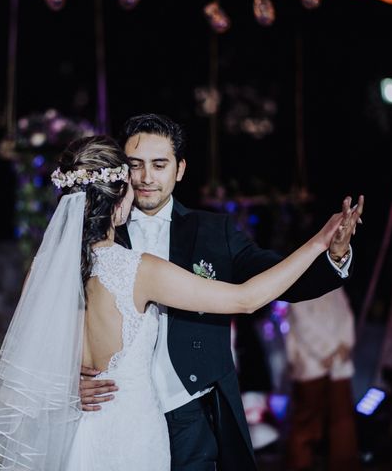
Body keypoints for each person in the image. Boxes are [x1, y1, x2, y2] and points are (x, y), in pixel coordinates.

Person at [0, 135, 355, 471]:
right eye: (133, 171)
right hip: (132, 433)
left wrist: (65, 386)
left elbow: (22, 361)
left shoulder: (44, 269)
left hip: (79, 431)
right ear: (119, 193)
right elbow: (247, 298)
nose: (144, 180)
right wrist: (318, 242)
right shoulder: (137, 269)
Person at [80, 114, 364, 471]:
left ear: (180, 169)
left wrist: (333, 255)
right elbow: (65, 320)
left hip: (190, 410)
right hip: (115, 409)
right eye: (135, 165)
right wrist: (68, 378)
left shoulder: (214, 231)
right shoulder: (97, 237)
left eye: (159, 164)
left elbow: (276, 280)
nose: (146, 177)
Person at [285, 287, 361, 471]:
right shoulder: (299, 281)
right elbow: (303, 322)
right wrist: (328, 349)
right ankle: (300, 464)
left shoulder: (335, 283)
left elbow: (346, 314)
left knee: (342, 418)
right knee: (307, 418)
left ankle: (344, 465)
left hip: (339, 363)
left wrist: (344, 345)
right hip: (310, 361)